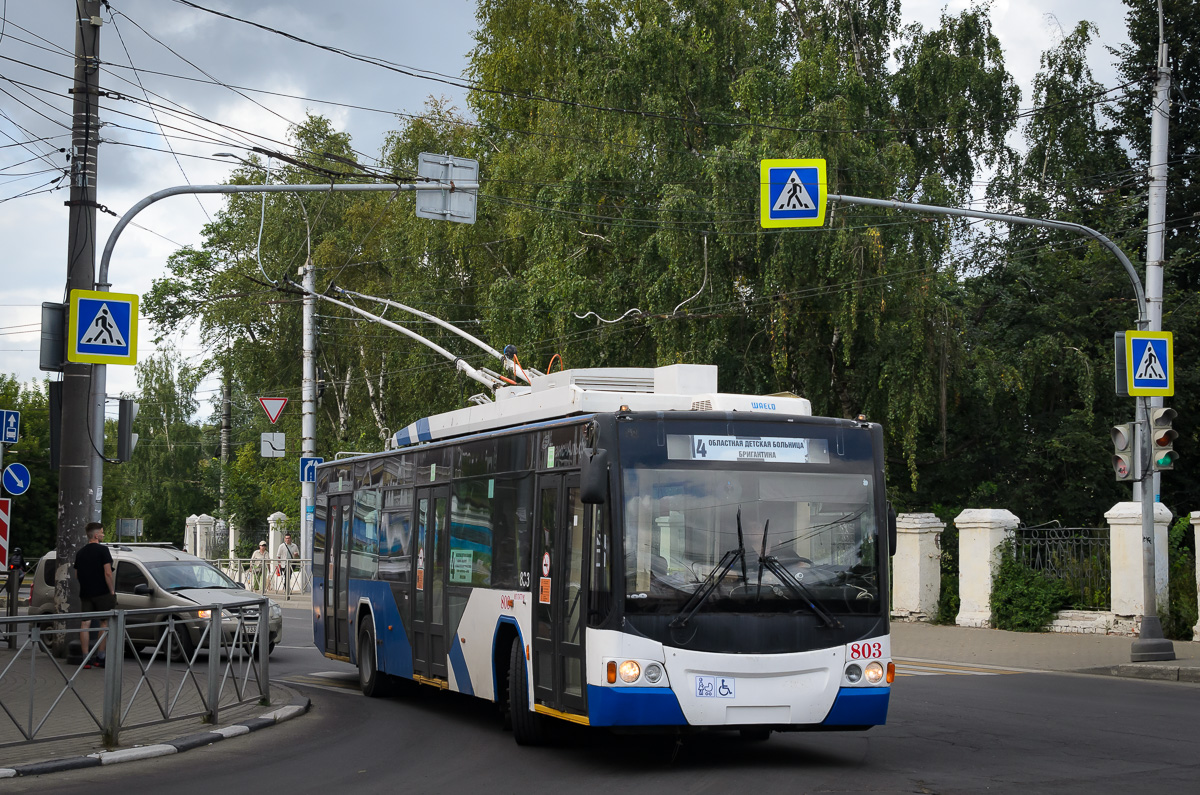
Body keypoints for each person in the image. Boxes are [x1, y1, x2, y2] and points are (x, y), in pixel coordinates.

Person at [74, 522, 115, 668]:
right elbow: (108, 573)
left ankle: (85, 658)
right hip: (102, 593)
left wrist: (86, 585)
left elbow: (77, 574)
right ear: (96, 535)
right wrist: (111, 591)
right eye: (102, 533)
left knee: (85, 623)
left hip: (85, 593)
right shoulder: (103, 551)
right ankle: (100, 656)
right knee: (105, 623)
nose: (103, 535)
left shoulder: (80, 553)